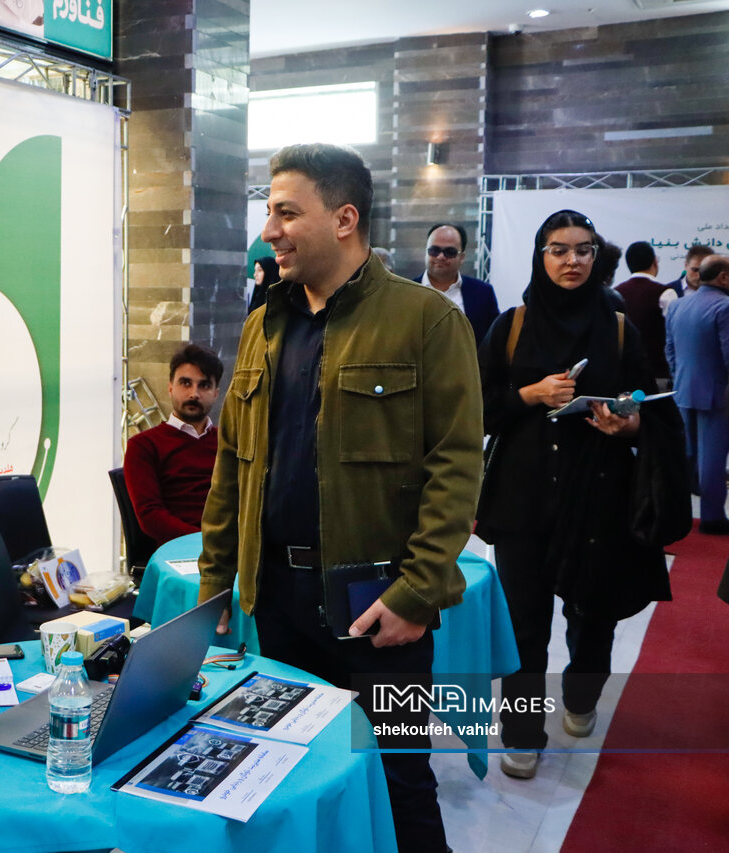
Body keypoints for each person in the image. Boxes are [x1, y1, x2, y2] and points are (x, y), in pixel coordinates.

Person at [199, 143, 483, 853]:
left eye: (287, 213)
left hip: (376, 606)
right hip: (278, 603)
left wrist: (417, 592)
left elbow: (455, 467)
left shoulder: (426, 320)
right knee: (292, 780)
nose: (270, 230)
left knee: (398, 781)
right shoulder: (265, 323)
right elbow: (233, 466)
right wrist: (216, 584)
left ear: (345, 218)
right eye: (270, 212)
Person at [475, 209, 675, 780]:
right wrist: (531, 394)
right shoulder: (511, 326)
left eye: (583, 250)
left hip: (599, 494)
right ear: (540, 255)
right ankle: (522, 732)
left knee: (593, 613)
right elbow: (477, 410)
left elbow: (650, 405)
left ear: (596, 256)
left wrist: (629, 424)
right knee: (525, 624)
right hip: (523, 498)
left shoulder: (618, 329)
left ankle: (582, 696)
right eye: (559, 250)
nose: (572, 261)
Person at [124, 343, 223, 544]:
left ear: (215, 394)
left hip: (230, 548)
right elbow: (150, 516)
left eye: (204, 385)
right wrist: (205, 543)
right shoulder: (143, 446)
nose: (194, 394)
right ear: (170, 388)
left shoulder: (229, 442)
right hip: (177, 551)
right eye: (185, 383)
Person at [665, 254, 729, 533]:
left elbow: (670, 349)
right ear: (723, 277)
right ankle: (712, 518)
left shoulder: (678, 305)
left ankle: (676, 513)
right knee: (712, 459)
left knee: (686, 455)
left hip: (682, 389)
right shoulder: (724, 306)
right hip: (716, 394)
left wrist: (680, 376)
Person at [419, 223, 500, 346]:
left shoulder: (483, 293)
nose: (441, 256)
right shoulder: (405, 292)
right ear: (426, 252)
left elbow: (494, 343)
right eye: (434, 250)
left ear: (462, 257)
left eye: (449, 252)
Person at [614, 240, 676, 389]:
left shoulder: (616, 293)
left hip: (624, 375)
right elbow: (676, 333)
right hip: (659, 374)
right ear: (655, 262)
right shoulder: (665, 293)